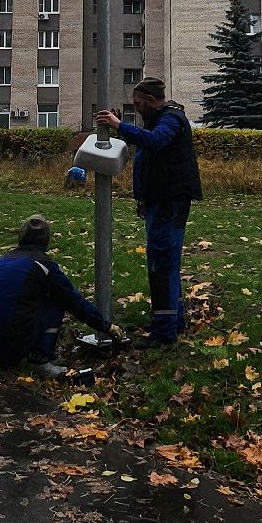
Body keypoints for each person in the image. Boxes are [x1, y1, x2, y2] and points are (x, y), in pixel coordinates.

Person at [94, 77, 201, 345]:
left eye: (139, 104)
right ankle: (174, 321)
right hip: (161, 200)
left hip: (168, 202)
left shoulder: (171, 119)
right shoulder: (160, 118)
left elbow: (155, 142)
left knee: (162, 264)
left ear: (152, 101)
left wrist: (120, 126)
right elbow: (154, 157)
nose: (137, 108)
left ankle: (164, 332)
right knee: (167, 262)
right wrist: (144, 197)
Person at [0, 215, 120, 376]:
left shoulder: (1, 261)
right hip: (9, 343)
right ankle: (40, 359)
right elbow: (75, 302)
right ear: (46, 241)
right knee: (57, 299)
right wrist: (106, 326)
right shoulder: (44, 266)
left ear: (21, 237)